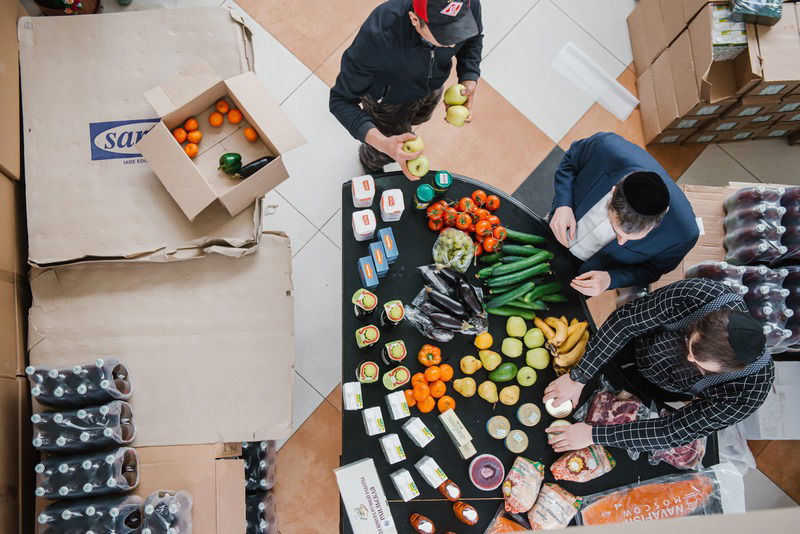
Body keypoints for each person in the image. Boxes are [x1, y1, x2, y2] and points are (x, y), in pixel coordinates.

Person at [543, 278, 775, 453]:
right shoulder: (702, 294)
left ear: (730, 370)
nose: (689, 359)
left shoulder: (750, 390)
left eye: (701, 366)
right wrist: (578, 377)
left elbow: (673, 430)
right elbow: (626, 322)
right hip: (634, 344)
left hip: (661, 387)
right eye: (691, 345)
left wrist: (594, 435)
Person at [329, 0, 483, 180]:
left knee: (421, 116)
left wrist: (469, 77)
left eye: (459, 30)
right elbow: (340, 100)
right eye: (445, 36)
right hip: (388, 100)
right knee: (383, 152)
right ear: (414, 19)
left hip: (431, 84)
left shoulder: (466, 4)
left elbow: (474, 37)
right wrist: (384, 144)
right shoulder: (378, 36)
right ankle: (369, 159)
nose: (453, 44)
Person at [549, 132, 699, 297]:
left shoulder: (683, 236)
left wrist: (610, 279)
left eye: (631, 237)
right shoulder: (605, 147)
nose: (621, 243)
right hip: (558, 226)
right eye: (616, 230)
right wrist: (563, 204)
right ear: (613, 192)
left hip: (587, 273)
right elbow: (570, 161)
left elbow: (653, 270)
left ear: (664, 214)